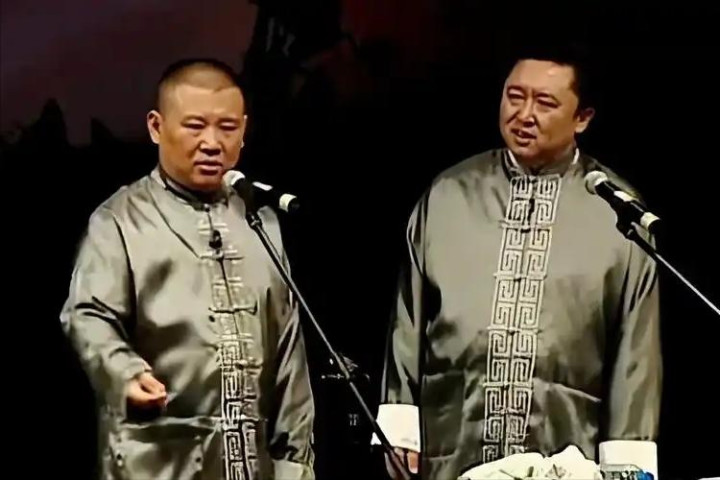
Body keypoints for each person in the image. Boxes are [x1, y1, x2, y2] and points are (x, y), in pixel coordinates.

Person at [374, 45, 662, 480]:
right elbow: (407, 321)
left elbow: (635, 354)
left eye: (545, 103)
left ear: (582, 118)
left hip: (565, 455)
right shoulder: (449, 195)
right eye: (514, 97)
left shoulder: (615, 214)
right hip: (451, 447)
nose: (524, 115)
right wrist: (400, 430)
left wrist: (628, 467)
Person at [60, 58, 315, 480]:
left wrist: (296, 463)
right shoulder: (120, 221)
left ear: (244, 130)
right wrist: (124, 373)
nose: (212, 143)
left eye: (227, 127)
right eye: (195, 126)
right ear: (156, 127)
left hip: (254, 467)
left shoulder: (260, 221)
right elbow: (87, 315)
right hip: (157, 465)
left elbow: (289, 352)